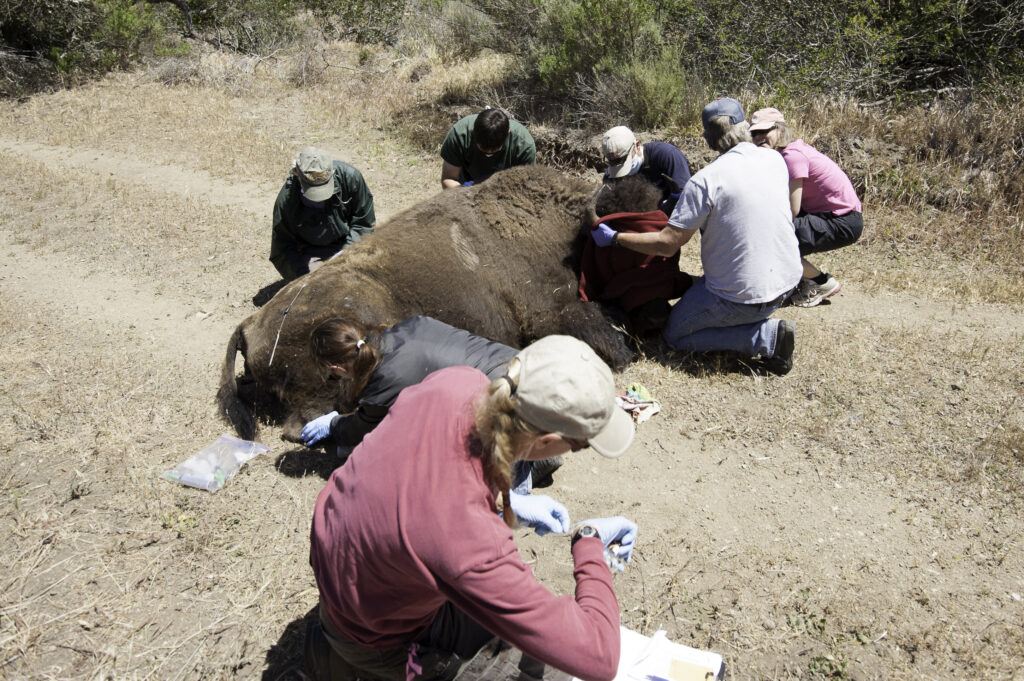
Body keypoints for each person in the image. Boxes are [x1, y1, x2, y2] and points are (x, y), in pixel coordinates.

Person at [303, 335, 638, 681]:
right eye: (579, 445)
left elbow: (425, 465)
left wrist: (508, 502)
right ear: (548, 441)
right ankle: (380, 664)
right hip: (377, 633)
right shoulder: (466, 540)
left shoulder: (457, 380)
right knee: (541, 667)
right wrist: (590, 543)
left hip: (348, 572)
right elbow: (599, 659)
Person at [590, 98, 802, 375]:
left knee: (675, 334)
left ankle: (767, 337)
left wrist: (616, 237)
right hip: (788, 282)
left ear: (708, 137)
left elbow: (667, 244)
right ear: (744, 126)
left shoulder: (706, 180)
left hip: (744, 296)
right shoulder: (775, 159)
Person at [300, 315, 562, 488]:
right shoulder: (413, 323)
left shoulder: (386, 379)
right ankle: (536, 449)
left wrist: (334, 424)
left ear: (337, 366)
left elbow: (364, 429)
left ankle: (522, 470)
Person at [749, 108, 864, 307]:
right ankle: (797, 280)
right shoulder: (786, 151)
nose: (759, 137)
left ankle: (821, 282)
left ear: (779, 129)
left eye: (764, 131)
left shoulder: (792, 156)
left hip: (843, 221)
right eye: (754, 133)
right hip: (834, 215)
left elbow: (791, 210)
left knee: (770, 241)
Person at [270, 147, 376, 282]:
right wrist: (303, 271)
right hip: (311, 256)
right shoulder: (286, 201)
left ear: (332, 172)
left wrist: (343, 257)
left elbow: (364, 225)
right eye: (313, 190)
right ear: (297, 175)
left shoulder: (350, 178)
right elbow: (282, 251)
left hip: (348, 247)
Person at [602, 125, 692, 216]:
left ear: (637, 146)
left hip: (670, 215)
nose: (619, 168)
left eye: (624, 160)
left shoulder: (667, 155)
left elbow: (685, 194)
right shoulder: (610, 177)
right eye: (613, 162)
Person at [440, 108, 536, 190]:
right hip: (465, 189)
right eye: (482, 149)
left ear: (508, 134)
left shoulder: (524, 145)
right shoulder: (460, 134)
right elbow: (448, 179)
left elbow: (525, 188)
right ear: (473, 132)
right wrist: (468, 193)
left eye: (495, 150)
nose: (488, 153)